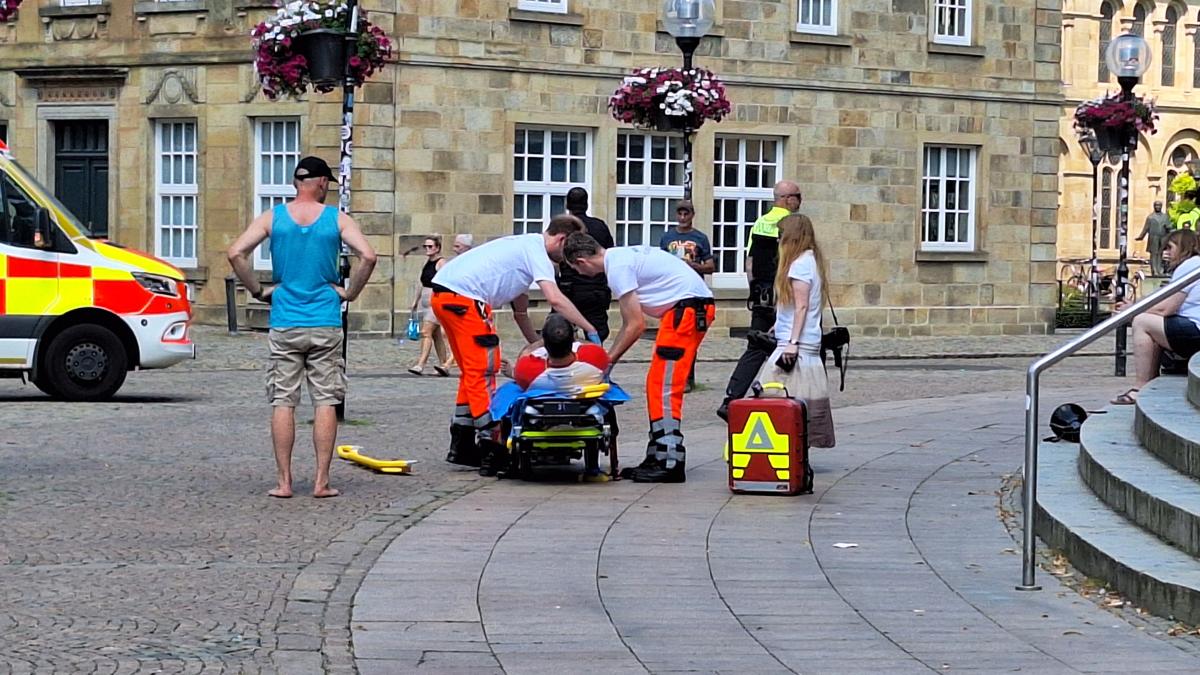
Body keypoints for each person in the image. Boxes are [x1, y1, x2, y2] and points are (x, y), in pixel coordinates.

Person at [227, 156, 377, 499]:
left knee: (283, 400)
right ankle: (322, 482)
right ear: (322, 182)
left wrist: (257, 290)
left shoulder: (273, 218)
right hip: (324, 319)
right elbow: (368, 256)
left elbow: (236, 253)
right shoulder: (335, 218)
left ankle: (284, 482)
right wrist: (350, 292)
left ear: (297, 182)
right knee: (325, 400)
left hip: (285, 320)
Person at [432, 214, 600, 472]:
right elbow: (555, 299)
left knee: (470, 372)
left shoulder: (522, 246)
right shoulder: (538, 253)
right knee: (485, 371)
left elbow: (520, 312)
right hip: (467, 301)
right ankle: (493, 447)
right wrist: (590, 329)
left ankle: (463, 443)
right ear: (561, 239)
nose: (568, 258)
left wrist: (537, 345)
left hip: (445, 296)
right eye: (569, 248)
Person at [563, 232, 715, 483]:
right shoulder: (621, 258)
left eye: (575, 270)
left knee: (664, 388)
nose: (580, 275)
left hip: (685, 313)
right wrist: (608, 358)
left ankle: (669, 460)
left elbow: (635, 325)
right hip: (687, 310)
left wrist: (607, 362)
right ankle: (658, 454)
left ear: (581, 261)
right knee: (657, 384)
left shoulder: (618, 268)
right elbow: (629, 323)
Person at [717, 180, 803, 420]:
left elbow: (750, 261)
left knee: (755, 347)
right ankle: (790, 402)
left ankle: (731, 399)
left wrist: (754, 291)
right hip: (784, 294)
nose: (800, 199)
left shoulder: (760, 222)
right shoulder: (793, 225)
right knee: (794, 345)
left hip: (762, 295)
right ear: (788, 199)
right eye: (798, 195)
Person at [750, 214, 836, 447]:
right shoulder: (811, 261)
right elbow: (800, 305)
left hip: (794, 345)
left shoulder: (799, 265)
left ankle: (780, 447)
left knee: (770, 393)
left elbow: (802, 305)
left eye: (781, 235)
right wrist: (780, 322)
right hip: (803, 342)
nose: (778, 239)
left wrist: (792, 342)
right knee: (800, 401)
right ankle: (797, 451)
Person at [1111, 229, 1200, 405]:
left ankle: (1140, 387)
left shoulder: (1191, 265)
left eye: (1170, 247)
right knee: (1148, 320)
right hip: (1192, 327)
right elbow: (1161, 303)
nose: (1164, 253)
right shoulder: (1192, 265)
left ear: (1184, 248)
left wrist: (1133, 311)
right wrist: (1137, 307)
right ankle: (1149, 384)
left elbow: (1166, 308)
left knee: (1142, 322)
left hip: (1195, 330)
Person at [659, 199, 714, 392]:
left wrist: (694, 266)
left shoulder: (700, 238)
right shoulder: (667, 238)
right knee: (672, 336)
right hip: (673, 293)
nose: (683, 217)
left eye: (687, 214)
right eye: (680, 214)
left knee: (690, 336)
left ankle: (687, 377)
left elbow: (711, 266)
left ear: (692, 215)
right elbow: (660, 264)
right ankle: (673, 375)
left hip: (694, 293)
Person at [559, 187, 616, 341]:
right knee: (597, 333)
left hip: (569, 288)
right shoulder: (599, 226)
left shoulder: (561, 228)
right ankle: (596, 360)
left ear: (567, 205)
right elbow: (609, 255)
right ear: (586, 204)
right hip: (595, 289)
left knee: (561, 332)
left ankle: (566, 362)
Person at [511, 314, 610, 392]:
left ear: (544, 341)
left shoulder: (529, 370)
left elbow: (523, 358)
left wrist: (544, 340)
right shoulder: (595, 359)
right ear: (572, 339)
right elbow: (594, 347)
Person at [408, 235, 452, 376]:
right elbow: (421, 283)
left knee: (426, 332)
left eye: (430, 246)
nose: (427, 249)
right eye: (425, 246)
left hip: (436, 300)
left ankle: (421, 364)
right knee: (436, 335)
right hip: (426, 302)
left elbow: (445, 282)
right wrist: (415, 301)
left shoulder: (441, 263)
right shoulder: (428, 262)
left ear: (437, 248)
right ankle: (443, 364)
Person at [1138, 201, 1172, 277]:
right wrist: (1141, 236)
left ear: (1161, 206)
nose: (1157, 207)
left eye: (1159, 205)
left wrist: (1172, 233)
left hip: (1162, 237)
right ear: (1154, 206)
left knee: (1160, 254)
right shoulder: (1150, 217)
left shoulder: (1165, 217)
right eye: (1156, 205)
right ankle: (1154, 270)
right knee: (1154, 254)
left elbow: (1169, 227)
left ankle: (1159, 270)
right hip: (1153, 237)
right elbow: (1146, 228)